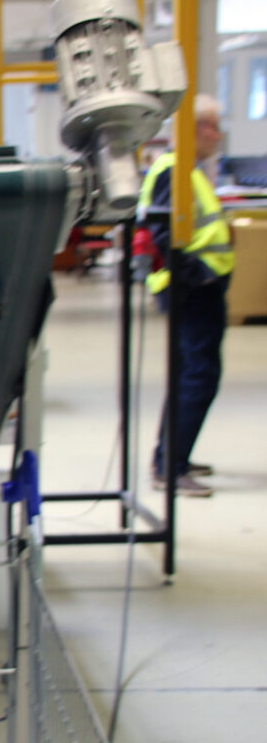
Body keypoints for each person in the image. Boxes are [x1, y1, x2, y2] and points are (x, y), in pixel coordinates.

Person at [138, 94, 234, 499]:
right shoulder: (173, 171)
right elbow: (163, 233)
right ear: (195, 129)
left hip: (196, 290)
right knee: (198, 375)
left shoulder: (185, 170)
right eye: (214, 127)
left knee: (189, 374)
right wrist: (198, 277)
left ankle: (171, 457)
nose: (218, 135)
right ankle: (170, 467)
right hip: (193, 292)